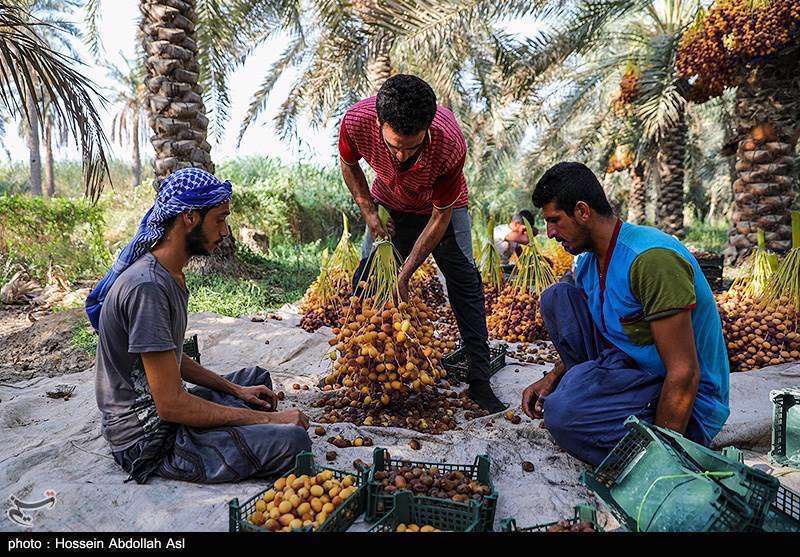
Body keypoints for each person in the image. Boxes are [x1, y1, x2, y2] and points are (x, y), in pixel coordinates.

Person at [85, 168, 311, 484]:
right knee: (294, 444)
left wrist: (237, 390)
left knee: (255, 381)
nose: (226, 231)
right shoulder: (147, 288)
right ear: (189, 217)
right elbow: (171, 405)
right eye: (219, 219)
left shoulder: (168, 274)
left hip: (164, 410)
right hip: (148, 440)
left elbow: (170, 358)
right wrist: (269, 419)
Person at [521, 162, 729, 466]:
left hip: (689, 402)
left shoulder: (652, 261)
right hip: (630, 370)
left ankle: (638, 434)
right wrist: (553, 377)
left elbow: (685, 372)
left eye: (555, 220)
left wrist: (663, 462)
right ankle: (593, 398)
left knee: (562, 415)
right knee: (558, 298)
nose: (550, 233)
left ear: (582, 211)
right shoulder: (589, 263)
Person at [338, 74, 506, 413]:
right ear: (378, 122)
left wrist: (405, 274)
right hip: (388, 202)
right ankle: (359, 370)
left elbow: (440, 218)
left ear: (428, 129)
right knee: (366, 281)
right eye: (393, 146)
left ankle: (479, 378)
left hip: (441, 208)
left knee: (464, 281)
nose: (400, 157)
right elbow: (349, 163)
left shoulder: (449, 143)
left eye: (411, 148)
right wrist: (369, 211)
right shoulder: (356, 121)